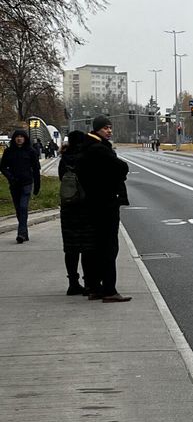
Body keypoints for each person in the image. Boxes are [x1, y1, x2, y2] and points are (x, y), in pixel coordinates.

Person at [77, 116, 132, 303]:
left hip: (93, 203)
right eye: (105, 128)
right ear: (97, 130)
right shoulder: (99, 150)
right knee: (109, 248)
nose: (109, 131)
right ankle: (109, 290)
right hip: (105, 203)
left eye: (110, 127)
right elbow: (121, 167)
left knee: (95, 247)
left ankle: (94, 287)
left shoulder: (87, 148)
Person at [58, 131, 95, 296]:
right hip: (86, 208)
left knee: (70, 249)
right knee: (88, 247)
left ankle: (73, 282)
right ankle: (89, 283)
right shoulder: (87, 157)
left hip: (68, 208)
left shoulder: (64, 159)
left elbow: (61, 179)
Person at [0, 129, 41, 243]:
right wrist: (10, 177)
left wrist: (37, 185)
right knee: (19, 209)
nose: (19, 139)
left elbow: (36, 169)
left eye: (21, 137)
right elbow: (2, 167)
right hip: (14, 184)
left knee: (23, 207)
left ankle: (21, 234)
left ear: (25, 139)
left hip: (27, 183)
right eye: (17, 137)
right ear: (14, 139)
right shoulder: (9, 152)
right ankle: (24, 232)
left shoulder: (30, 151)